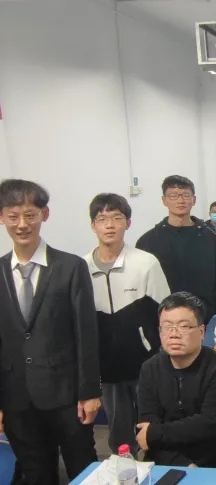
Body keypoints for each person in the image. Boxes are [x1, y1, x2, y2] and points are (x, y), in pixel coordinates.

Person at [0, 179, 101, 483]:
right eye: (13, 216)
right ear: (2, 217)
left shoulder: (70, 267)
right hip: (16, 399)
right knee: (36, 474)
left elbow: (86, 333)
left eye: (30, 215)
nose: (22, 224)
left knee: (84, 471)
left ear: (44, 215)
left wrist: (89, 392)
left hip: (67, 396)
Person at [84, 193, 170, 456]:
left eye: (116, 218)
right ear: (93, 225)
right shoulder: (82, 267)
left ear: (128, 223)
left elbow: (166, 311)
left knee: (152, 423)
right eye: (102, 219)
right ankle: (123, 468)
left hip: (145, 362)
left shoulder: (145, 263)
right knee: (119, 430)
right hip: (107, 366)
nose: (109, 225)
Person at [137, 292, 216, 467]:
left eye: (184, 326)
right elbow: (145, 427)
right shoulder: (149, 368)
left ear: (202, 331)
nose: (174, 334)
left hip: (210, 464)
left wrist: (154, 433)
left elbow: (209, 425)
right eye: (166, 327)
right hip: (164, 460)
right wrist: (182, 464)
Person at [136, 175, 216, 321]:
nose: (180, 200)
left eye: (186, 195)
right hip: (163, 320)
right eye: (173, 196)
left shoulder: (208, 237)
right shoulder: (148, 241)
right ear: (164, 200)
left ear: (194, 200)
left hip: (204, 317)